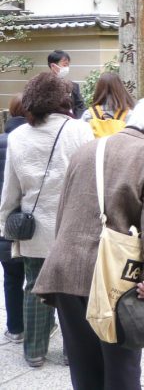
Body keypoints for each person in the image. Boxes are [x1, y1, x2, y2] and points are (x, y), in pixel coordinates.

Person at [33, 99, 144, 390]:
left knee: (83, 365)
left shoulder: (87, 150)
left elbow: (64, 211)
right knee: (121, 366)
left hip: (65, 270)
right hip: (112, 275)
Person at [0, 72, 94, 367]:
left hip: (35, 230)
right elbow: (92, 182)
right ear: (62, 99)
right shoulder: (80, 131)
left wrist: (6, 225)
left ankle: (35, 351)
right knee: (74, 289)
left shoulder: (17, 137)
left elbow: (10, 192)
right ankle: (73, 352)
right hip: (74, 227)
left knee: (34, 287)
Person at [0, 95, 27, 345]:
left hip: (4, 225)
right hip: (33, 222)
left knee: (12, 277)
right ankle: (41, 326)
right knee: (37, 277)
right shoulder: (35, 142)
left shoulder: (1, 141)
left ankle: (16, 328)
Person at [48, 50, 87, 117]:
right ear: (53, 66)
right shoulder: (43, 86)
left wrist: (77, 121)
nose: (66, 68)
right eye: (64, 65)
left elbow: (80, 106)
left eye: (68, 65)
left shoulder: (73, 86)